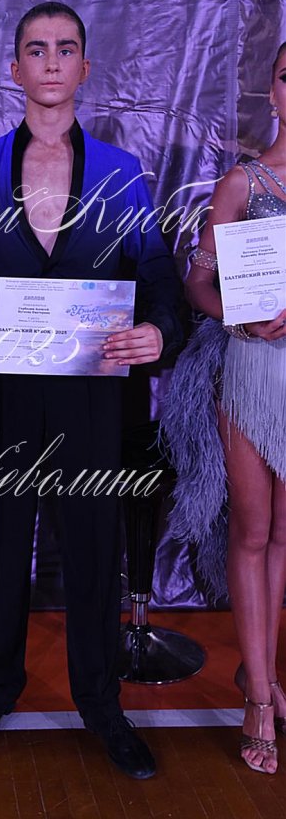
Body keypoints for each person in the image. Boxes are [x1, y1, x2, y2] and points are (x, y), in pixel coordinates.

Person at [0, 1, 183, 780]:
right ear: (14, 67)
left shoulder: (122, 171)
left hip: (93, 393)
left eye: (65, 48)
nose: (51, 61)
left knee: (93, 548)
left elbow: (158, 274)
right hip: (8, 390)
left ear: (85, 66)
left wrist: (159, 331)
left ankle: (101, 702)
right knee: (3, 547)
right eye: (36, 48)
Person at [162, 42, 286, 775]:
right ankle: (260, 699)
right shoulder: (243, 182)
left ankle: (259, 670)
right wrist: (240, 316)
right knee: (253, 527)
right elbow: (196, 284)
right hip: (250, 369)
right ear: (272, 89)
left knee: (285, 533)